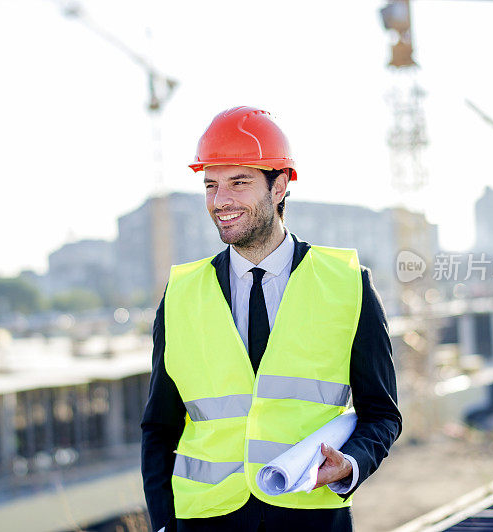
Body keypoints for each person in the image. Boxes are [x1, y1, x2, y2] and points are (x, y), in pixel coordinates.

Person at [141, 106, 401, 532]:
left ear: (279, 185)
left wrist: (350, 463)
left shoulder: (348, 284)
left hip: (310, 519)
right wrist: (164, 525)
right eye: (211, 185)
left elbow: (381, 413)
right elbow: (159, 427)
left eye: (238, 183)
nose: (221, 201)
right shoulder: (181, 294)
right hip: (206, 522)